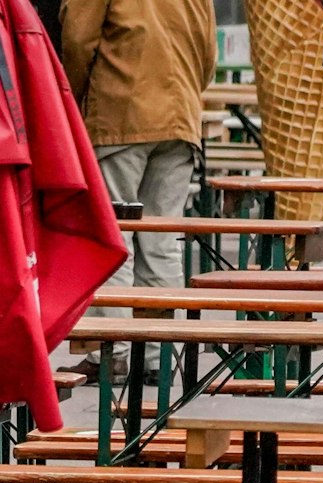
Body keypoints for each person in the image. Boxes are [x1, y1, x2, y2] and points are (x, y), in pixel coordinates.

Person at [59, 0, 214, 376]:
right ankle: (159, 359)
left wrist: (70, 99)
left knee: (114, 241)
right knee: (161, 245)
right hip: (180, 119)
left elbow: (78, 39)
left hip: (120, 112)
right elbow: (208, 54)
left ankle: (114, 356)